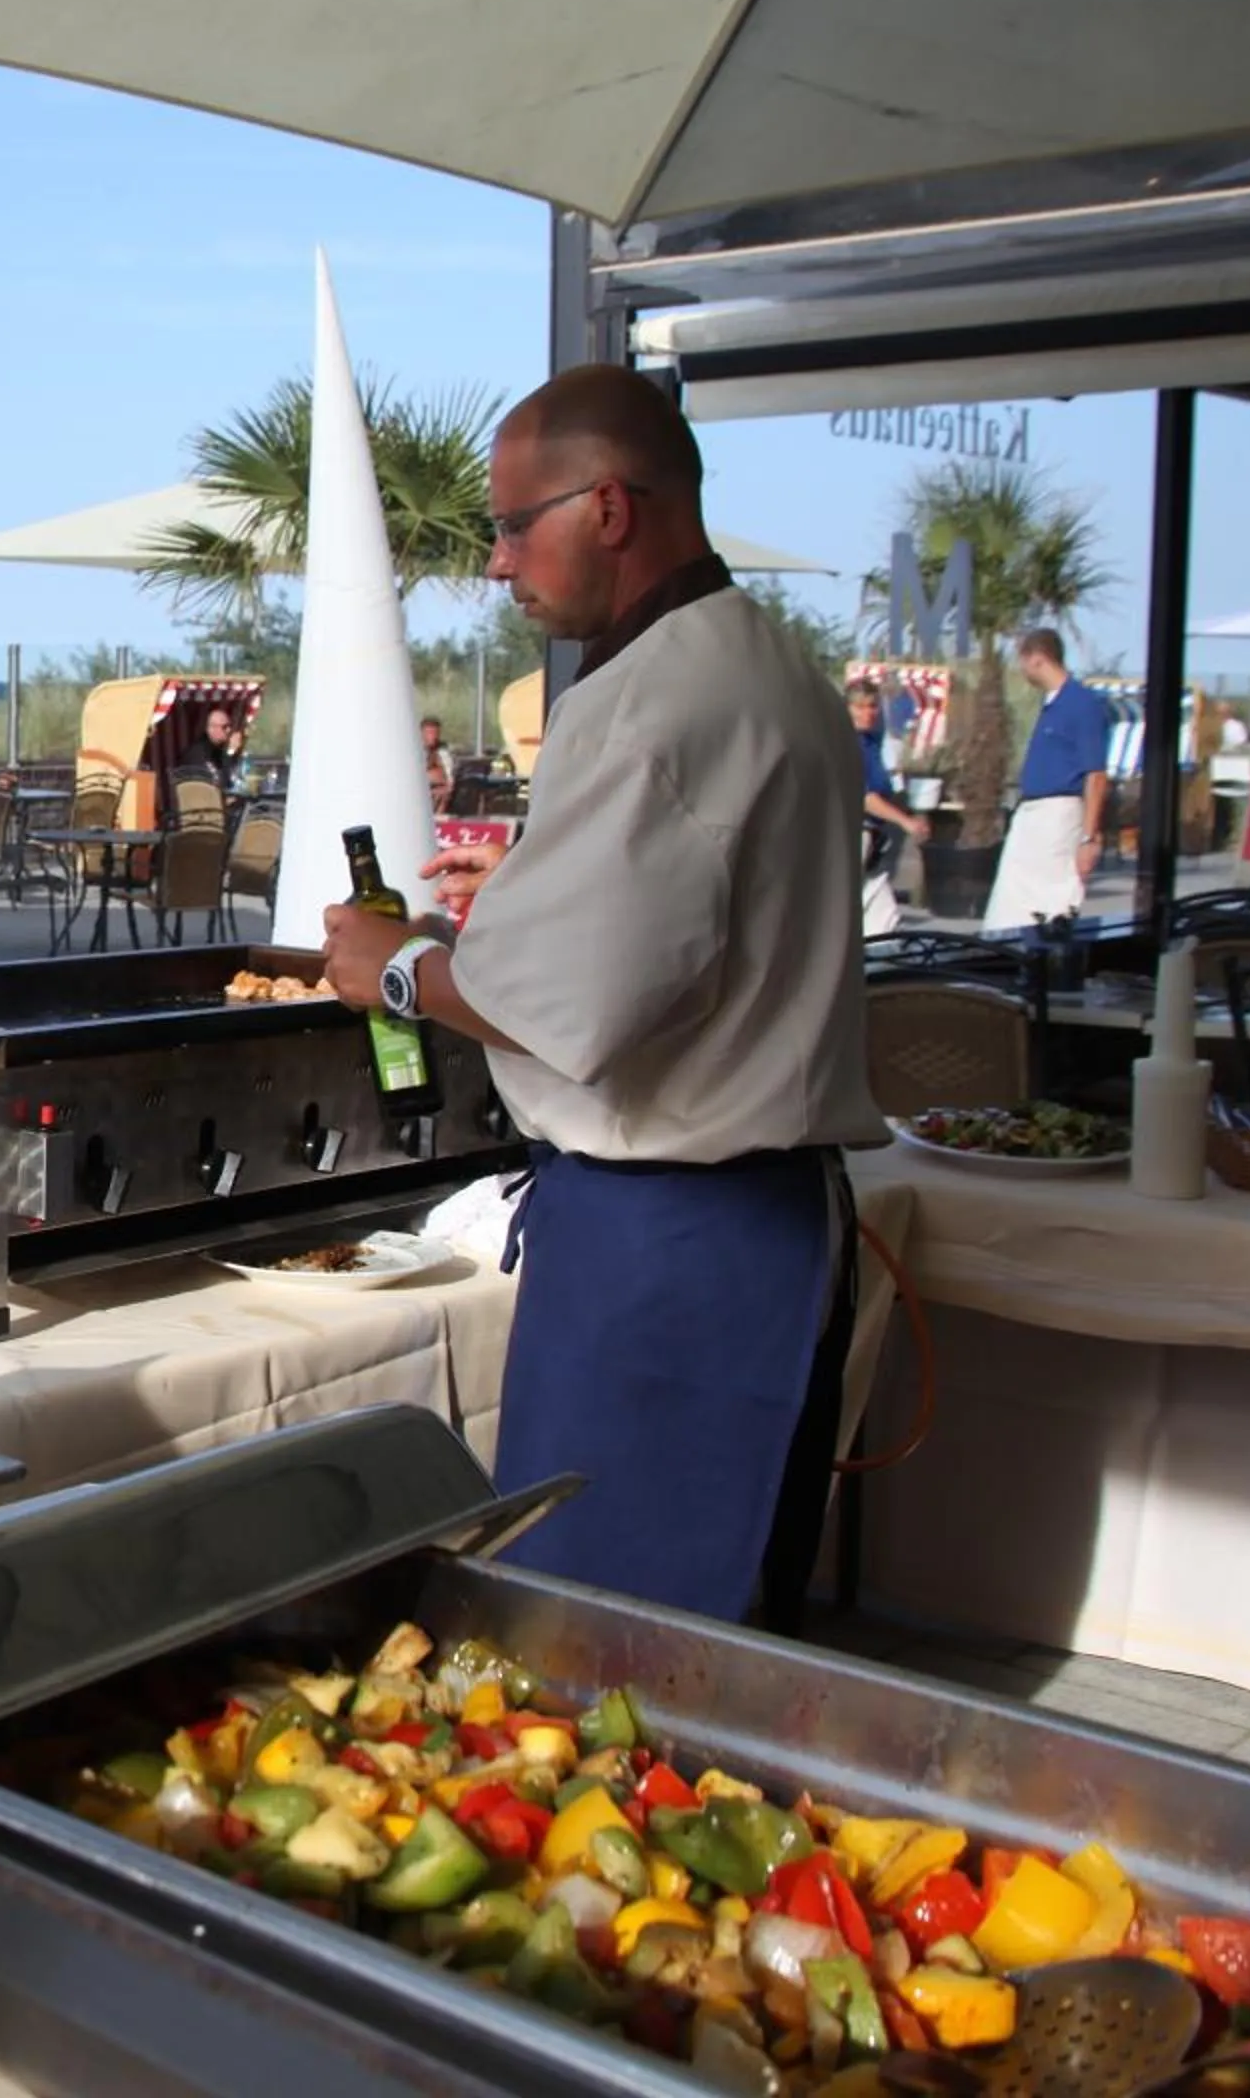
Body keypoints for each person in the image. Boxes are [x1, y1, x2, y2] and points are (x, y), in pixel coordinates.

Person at [317, 363, 882, 1632]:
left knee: (603, 1640)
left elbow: (565, 1004)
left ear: (611, 507)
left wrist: (393, 965)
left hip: (671, 1246)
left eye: (516, 526)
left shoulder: (646, 701)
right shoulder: (775, 664)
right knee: (729, 1626)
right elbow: (670, 933)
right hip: (766, 1221)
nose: (499, 562)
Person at [979, 628, 1110, 933]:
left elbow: (1096, 775)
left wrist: (1088, 837)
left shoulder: (1081, 703)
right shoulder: (1050, 705)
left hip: (1058, 814)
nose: (1022, 669)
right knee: (1012, 901)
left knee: (1050, 898)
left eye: (1022, 661)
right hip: (1032, 815)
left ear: (1036, 659)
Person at [850, 682, 928, 939]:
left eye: (872, 706)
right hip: (852, 835)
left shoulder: (871, 743)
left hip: (873, 840)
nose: (867, 713)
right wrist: (905, 822)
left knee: (883, 920)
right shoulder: (847, 744)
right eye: (859, 707)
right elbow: (864, 798)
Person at [420, 716, 453, 812]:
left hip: (437, 791)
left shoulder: (443, 752)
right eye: (429, 733)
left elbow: (448, 778)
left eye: (436, 733)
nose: (433, 737)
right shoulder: (411, 750)